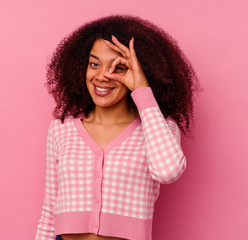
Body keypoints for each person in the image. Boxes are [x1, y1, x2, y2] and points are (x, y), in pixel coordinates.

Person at [35, 14, 200, 240]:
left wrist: (142, 92)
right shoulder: (61, 128)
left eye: (119, 67)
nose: (103, 76)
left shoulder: (158, 128)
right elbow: (49, 210)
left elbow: (168, 171)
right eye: (94, 64)